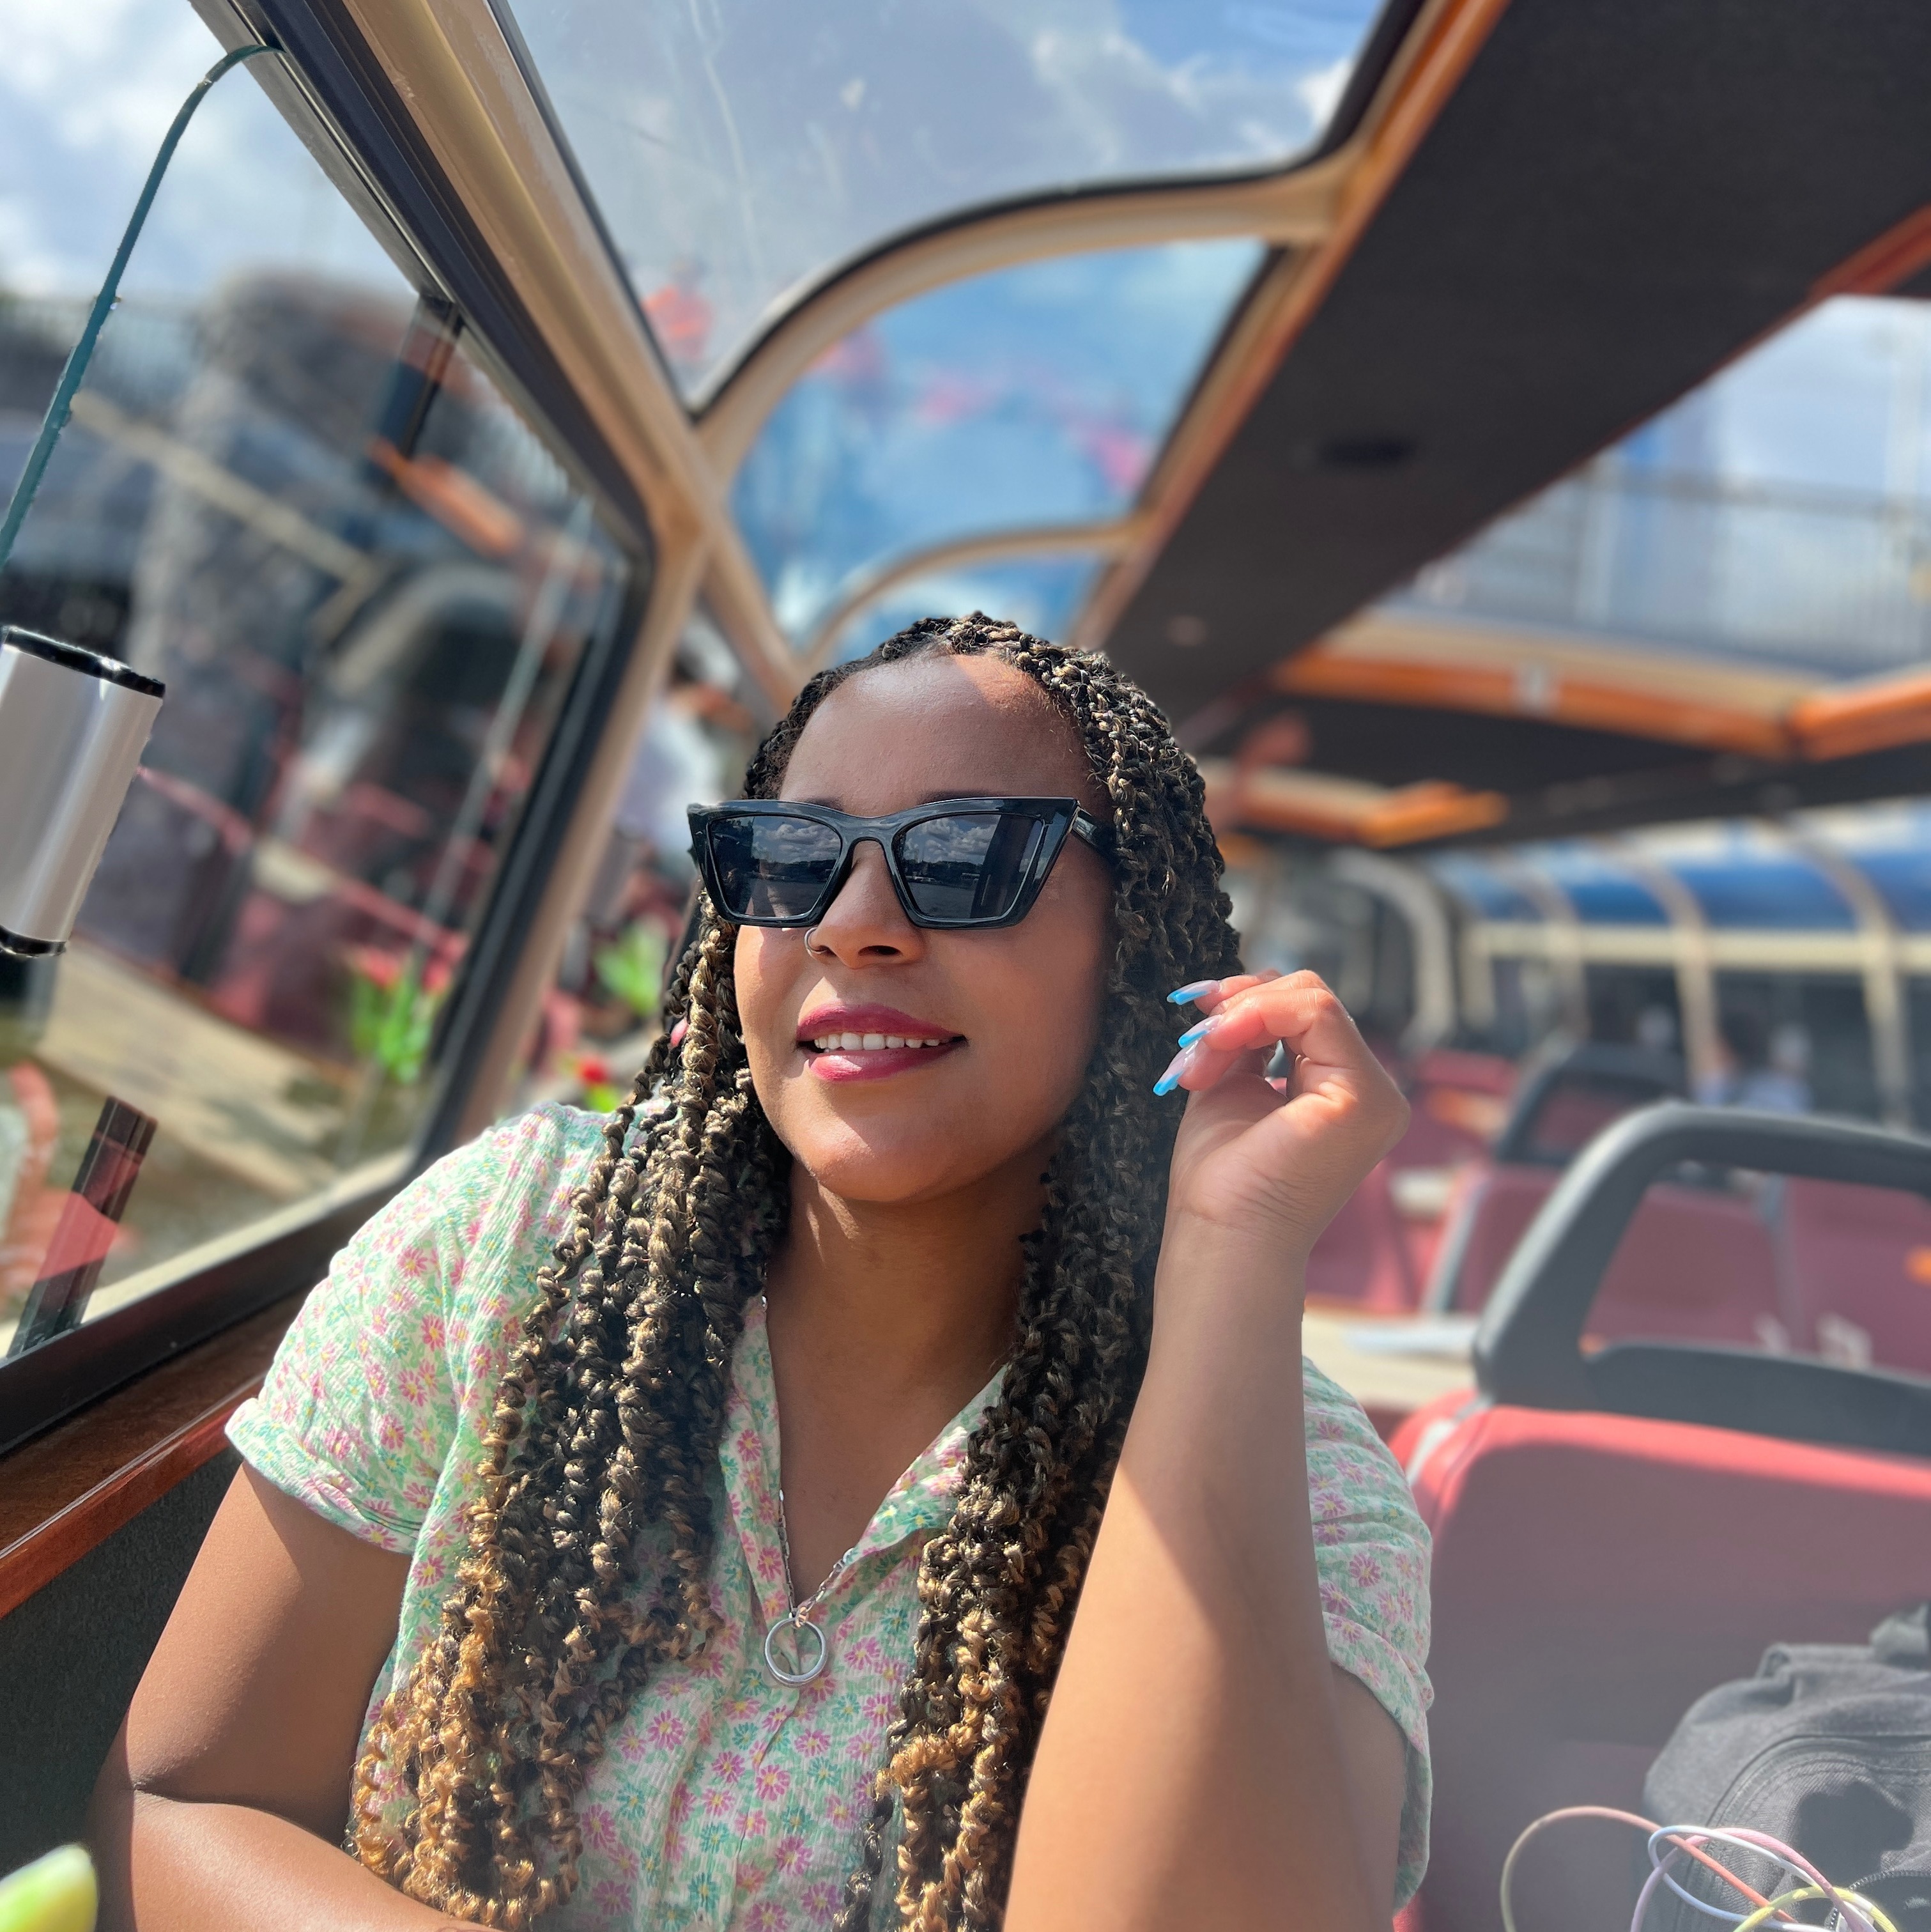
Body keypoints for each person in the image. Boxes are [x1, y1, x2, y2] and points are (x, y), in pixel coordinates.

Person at [89, 615, 1431, 1932]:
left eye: (964, 856)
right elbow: (179, 1806)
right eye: (791, 859)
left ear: (1138, 944)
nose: (852, 926)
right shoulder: (502, 1243)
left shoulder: (1309, 1495)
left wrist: (1234, 1249)